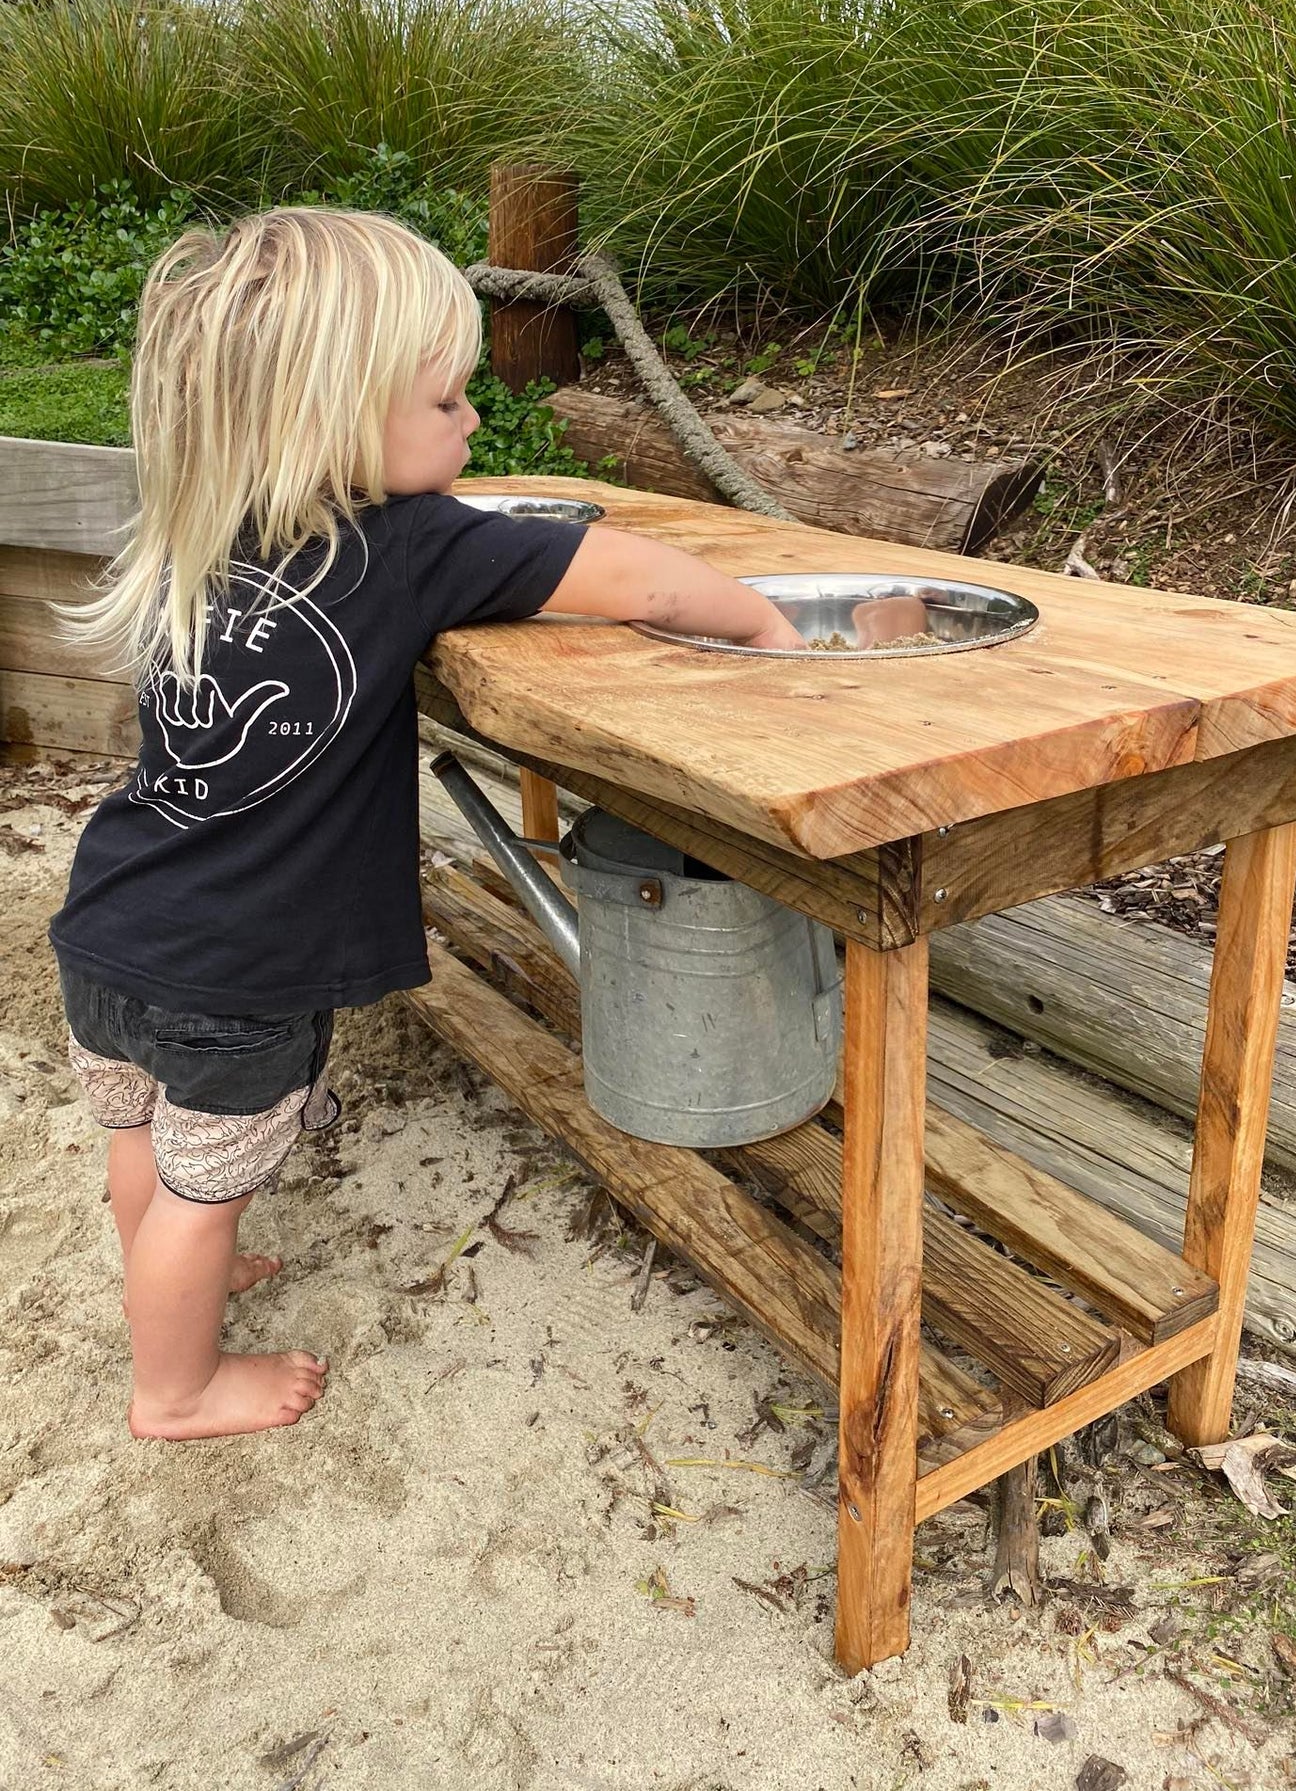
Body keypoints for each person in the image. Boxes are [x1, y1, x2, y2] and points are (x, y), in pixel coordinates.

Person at [47, 205, 802, 1445]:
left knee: (147, 1141)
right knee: (203, 1193)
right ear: (341, 419)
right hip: (241, 972)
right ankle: (176, 1388)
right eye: (445, 401)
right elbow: (635, 577)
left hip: (112, 921)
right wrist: (763, 625)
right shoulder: (407, 544)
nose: (469, 423)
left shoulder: (201, 531)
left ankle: (171, 1294)